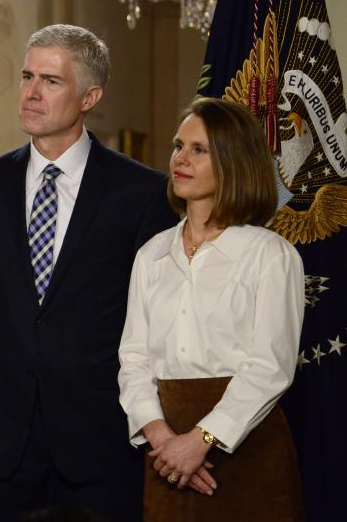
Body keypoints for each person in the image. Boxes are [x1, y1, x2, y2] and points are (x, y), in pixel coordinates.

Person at [0, 23, 176, 521]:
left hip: (100, 443)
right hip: (5, 444)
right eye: (27, 76)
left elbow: (153, 320)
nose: (31, 92)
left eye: (51, 81)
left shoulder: (142, 193)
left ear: (89, 97)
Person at [117, 98, 304, 520]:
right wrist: (162, 438)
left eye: (198, 149)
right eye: (178, 146)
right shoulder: (151, 255)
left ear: (233, 161)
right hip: (165, 455)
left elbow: (270, 367)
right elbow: (133, 358)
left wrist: (200, 441)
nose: (180, 159)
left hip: (248, 448)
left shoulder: (270, 254)